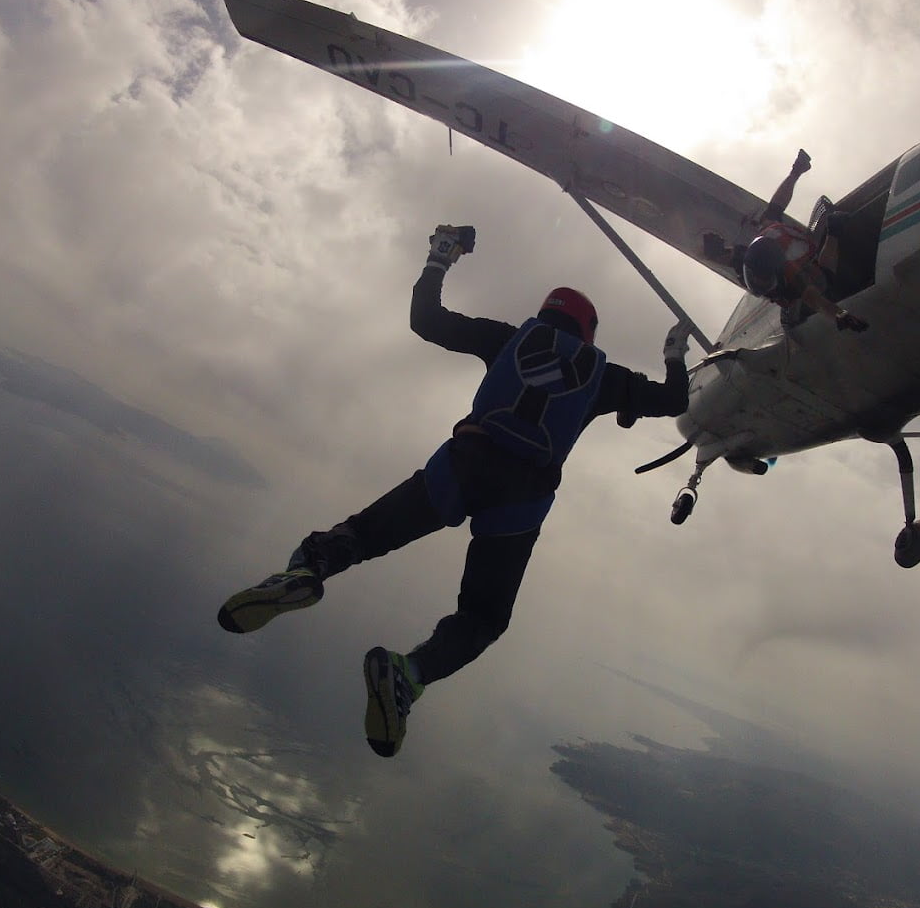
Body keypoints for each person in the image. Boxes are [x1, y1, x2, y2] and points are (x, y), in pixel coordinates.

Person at [218, 224, 692, 758]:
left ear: (546, 314)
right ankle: (408, 673)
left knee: (364, 535)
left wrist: (440, 259)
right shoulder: (606, 378)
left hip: (464, 464)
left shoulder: (508, 338)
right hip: (522, 500)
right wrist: (675, 351)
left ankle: (308, 569)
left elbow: (427, 321)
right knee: (483, 618)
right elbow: (676, 401)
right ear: (588, 333)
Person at [739, 150, 869, 332]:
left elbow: (815, 300)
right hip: (784, 239)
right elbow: (776, 205)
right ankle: (798, 170)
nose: (760, 284)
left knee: (824, 281)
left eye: (763, 279)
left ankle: (834, 230)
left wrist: (841, 315)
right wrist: (795, 172)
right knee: (772, 213)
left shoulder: (791, 273)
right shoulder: (765, 236)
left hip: (801, 250)